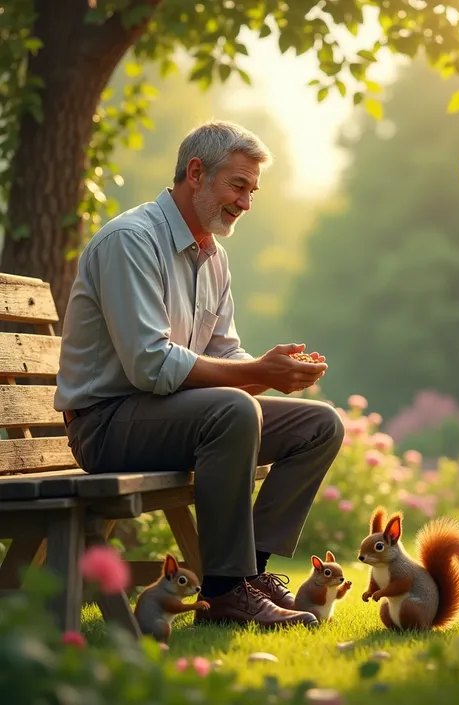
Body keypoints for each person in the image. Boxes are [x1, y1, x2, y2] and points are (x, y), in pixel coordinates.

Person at [55, 120, 344, 630]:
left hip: (175, 415)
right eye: (238, 185)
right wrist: (256, 373)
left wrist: (277, 374)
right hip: (107, 424)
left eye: (253, 191)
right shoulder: (131, 241)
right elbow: (150, 365)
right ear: (196, 173)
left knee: (320, 425)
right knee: (234, 409)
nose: (246, 202)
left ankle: (249, 576)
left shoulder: (214, 257)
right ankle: (227, 592)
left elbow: (224, 356)